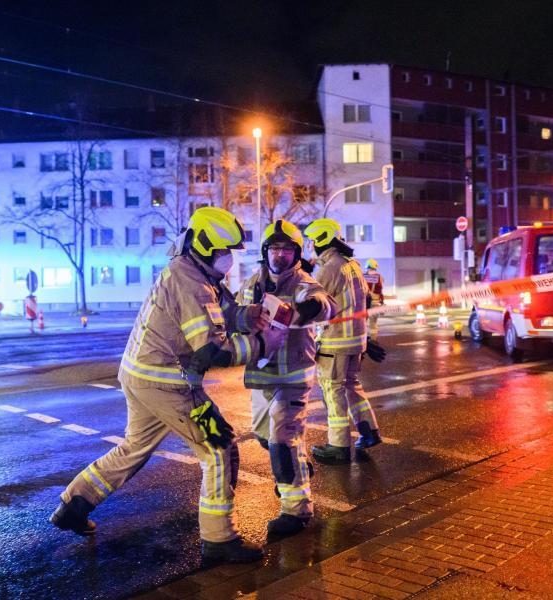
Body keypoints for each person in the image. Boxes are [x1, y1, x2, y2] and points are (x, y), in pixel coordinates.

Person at [50, 207, 287, 565]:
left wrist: (246, 316)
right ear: (206, 247)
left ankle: (73, 505)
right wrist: (264, 344)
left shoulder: (191, 270)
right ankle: (219, 539)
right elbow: (213, 350)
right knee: (220, 449)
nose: (230, 259)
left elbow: (220, 311)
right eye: (226, 251)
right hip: (169, 383)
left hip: (141, 376)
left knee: (133, 449)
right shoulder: (190, 281)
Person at [237, 220, 336, 538]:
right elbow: (238, 312)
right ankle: (300, 467)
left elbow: (326, 304)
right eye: (275, 248)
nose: (280, 255)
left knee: (282, 441)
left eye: (287, 249)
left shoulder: (304, 282)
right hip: (262, 375)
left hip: (292, 377)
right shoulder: (254, 282)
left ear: (297, 254)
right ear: (266, 251)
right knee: (265, 438)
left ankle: (296, 510)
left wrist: (310, 308)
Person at [303, 218, 386, 465]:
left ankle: (338, 445)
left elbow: (311, 298)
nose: (310, 246)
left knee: (333, 391)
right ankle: (369, 431)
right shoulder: (352, 265)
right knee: (351, 387)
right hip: (355, 341)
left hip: (335, 342)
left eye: (311, 241)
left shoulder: (330, 267)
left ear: (320, 240)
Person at [362, 258, 384, 338]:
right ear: (375, 266)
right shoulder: (379, 277)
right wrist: (382, 302)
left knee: (362, 323)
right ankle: (373, 340)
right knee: (373, 323)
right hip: (375, 302)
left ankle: (363, 342)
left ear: (367, 266)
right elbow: (380, 290)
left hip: (363, 303)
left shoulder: (362, 276)